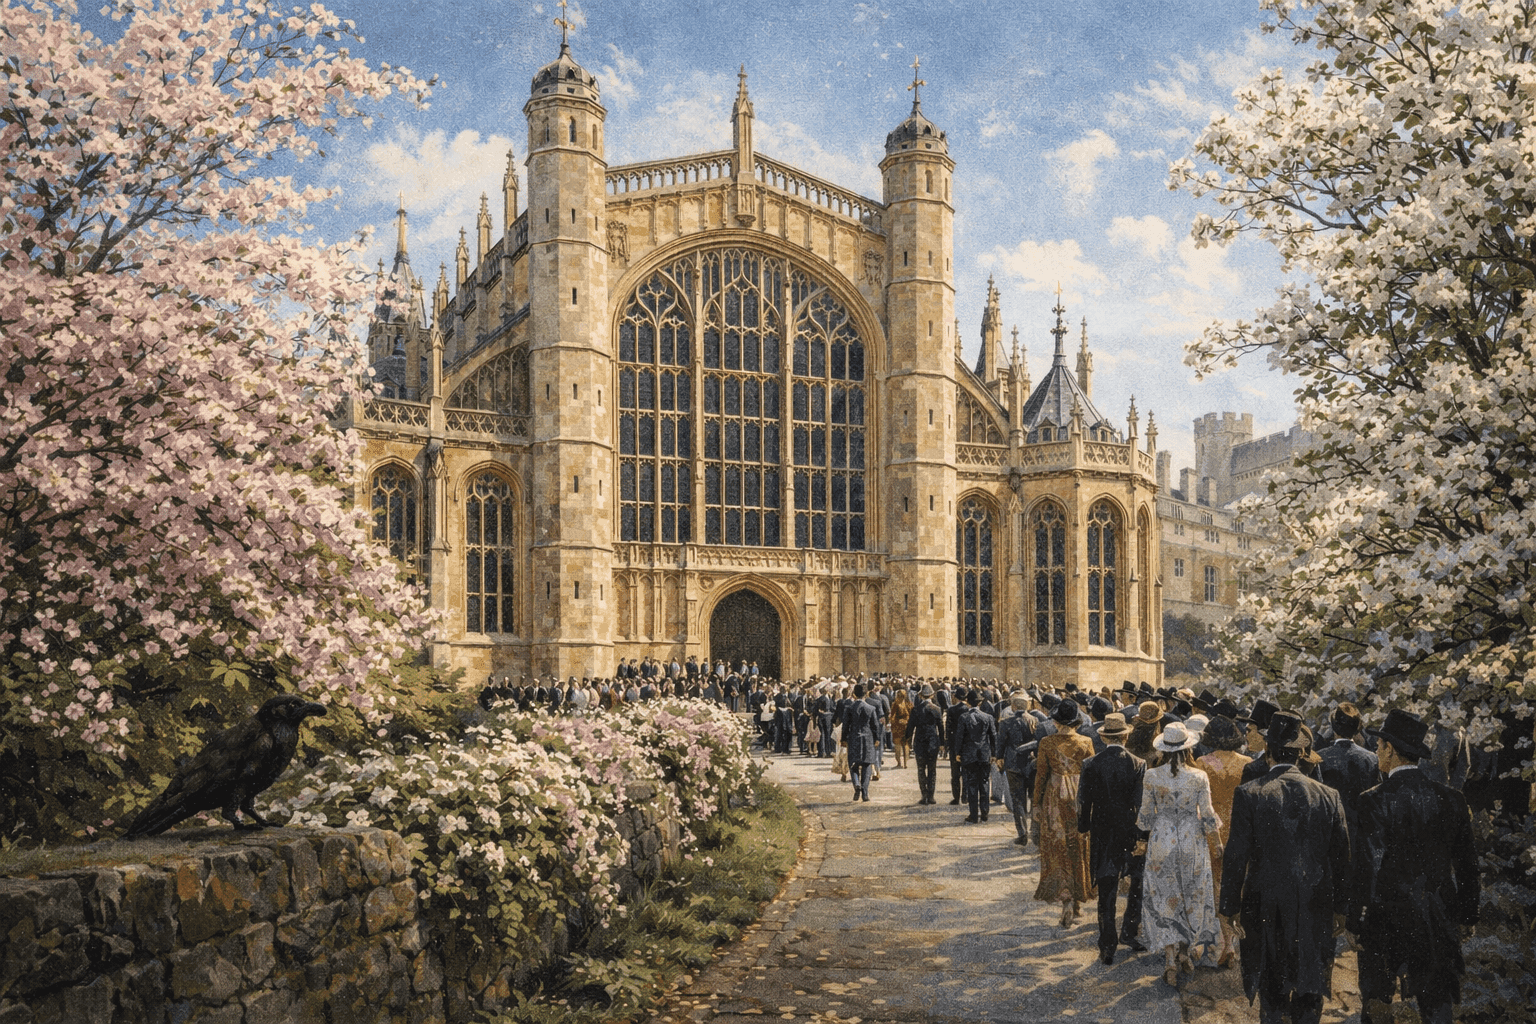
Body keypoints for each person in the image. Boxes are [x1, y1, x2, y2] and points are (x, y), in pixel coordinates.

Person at [1350, 709, 1480, 1024]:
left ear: (1390, 749)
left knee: (1378, 1000)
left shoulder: (1372, 800)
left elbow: (1366, 867)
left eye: (1379, 746)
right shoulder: (1452, 800)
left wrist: (1355, 920)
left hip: (1385, 916)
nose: (1377, 752)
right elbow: (1467, 865)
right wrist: (1467, 914)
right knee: (1437, 1001)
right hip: (1436, 913)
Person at [1220, 711, 1350, 1024]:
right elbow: (1342, 858)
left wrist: (1228, 907)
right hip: (1314, 904)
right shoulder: (1329, 796)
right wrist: (1342, 909)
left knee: (1272, 989)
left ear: (1268, 751)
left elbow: (1236, 855)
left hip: (1265, 904)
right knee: (1310, 987)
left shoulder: (1249, 793)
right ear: (1301, 753)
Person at [1138, 721, 1222, 986]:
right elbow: (1207, 814)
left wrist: (1144, 836)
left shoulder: (1151, 775)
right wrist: (1217, 843)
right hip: (1191, 840)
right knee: (1191, 895)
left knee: (1165, 897)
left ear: (1164, 749)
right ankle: (1186, 951)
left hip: (1162, 839)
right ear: (1188, 750)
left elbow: (1144, 816)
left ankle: (1169, 960)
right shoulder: (1198, 777)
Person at [1077, 712, 1147, 964]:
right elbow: (1140, 805)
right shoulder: (1138, 763)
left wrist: (1084, 828)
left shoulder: (1091, 764)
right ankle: (1129, 931)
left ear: (1104, 738)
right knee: (1135, 885)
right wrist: (1141, 836)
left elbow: (1084, 802)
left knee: (1106, 888)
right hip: (1128, 832)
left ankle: (1107, 945)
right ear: (1126, 736)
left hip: (1102, 831)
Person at [1034, 698, 1096, 927]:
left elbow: (1041, 776)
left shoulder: (1047, 743)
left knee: (1057, 848)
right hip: (1078, 797)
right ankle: (1079, 899)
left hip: (1055, 797)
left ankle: (1066, 898)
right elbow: (1090, 775)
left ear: (1058, 721)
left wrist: (1036, 805)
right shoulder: (1086, 742)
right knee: (1079, 846)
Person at [1194, 714, 1250, 968]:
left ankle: (1224, 943)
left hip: (1212, 830)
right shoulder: (1247, 763)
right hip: (1240, 830)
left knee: (1217, 888)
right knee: (1238, 885)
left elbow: (1201, 805)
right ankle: (1234, 944)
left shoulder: (1202, 763)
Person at [1317, 701, 1378, 833]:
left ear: (1333, 727)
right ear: (1357, 728)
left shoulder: (1320, 758)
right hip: (1362, 829)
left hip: (1331, 829)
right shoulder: (1371, 759)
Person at [996, 691, 1038, 845]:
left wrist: (999, 758)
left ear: (1013, 707)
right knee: (1033, 799)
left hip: (1013, 764)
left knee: (1018, 800)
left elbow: (1000, 743)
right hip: (1031, 763)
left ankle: (1022, 833)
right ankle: (1035, 831)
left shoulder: (1006, 723)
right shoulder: (1035, 720)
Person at [955, 691, 997, 823]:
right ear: (979, 703)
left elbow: (959, 737)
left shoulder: (964, 717)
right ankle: (985, 812)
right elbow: (993, 737)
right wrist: (995, 754)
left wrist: (958, 753)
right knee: (984, 783)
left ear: (968, 702)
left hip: (969, 755)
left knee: (972, 784)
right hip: (984, 754)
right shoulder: (988, 717)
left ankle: (974, 815)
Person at [906, 684, 945, 805]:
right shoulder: (937, 709)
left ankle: (924, 795)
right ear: (932, 695)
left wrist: (907, 739)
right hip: (933, 742)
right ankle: (931, 796)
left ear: (921, 696)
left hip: (919, 742)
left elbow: (910, 727)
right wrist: (942, 743)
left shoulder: (916, 709)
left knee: (921, 769)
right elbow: (941, 728)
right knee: (932, 770)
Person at [842, 683, 881, 802]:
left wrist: (843, 739)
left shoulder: (849, 708)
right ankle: (865, 792)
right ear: (866, 694)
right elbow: (875, 726)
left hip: (854, 737)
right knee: (866, 765)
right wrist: (877, 739)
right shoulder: (870, 708)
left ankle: (856, 785)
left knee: (853, 764)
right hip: (867, 738)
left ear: (853, 694)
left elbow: (845, 726)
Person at [889, 688, 912, 768]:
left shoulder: (895, 704)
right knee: (905, 745)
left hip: (898, 727)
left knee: (898, 746)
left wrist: (893, 722)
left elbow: (892, 716)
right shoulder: (909, 704)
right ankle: (905, 763)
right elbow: (912, 715)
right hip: (905, 726)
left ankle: (899, 763)